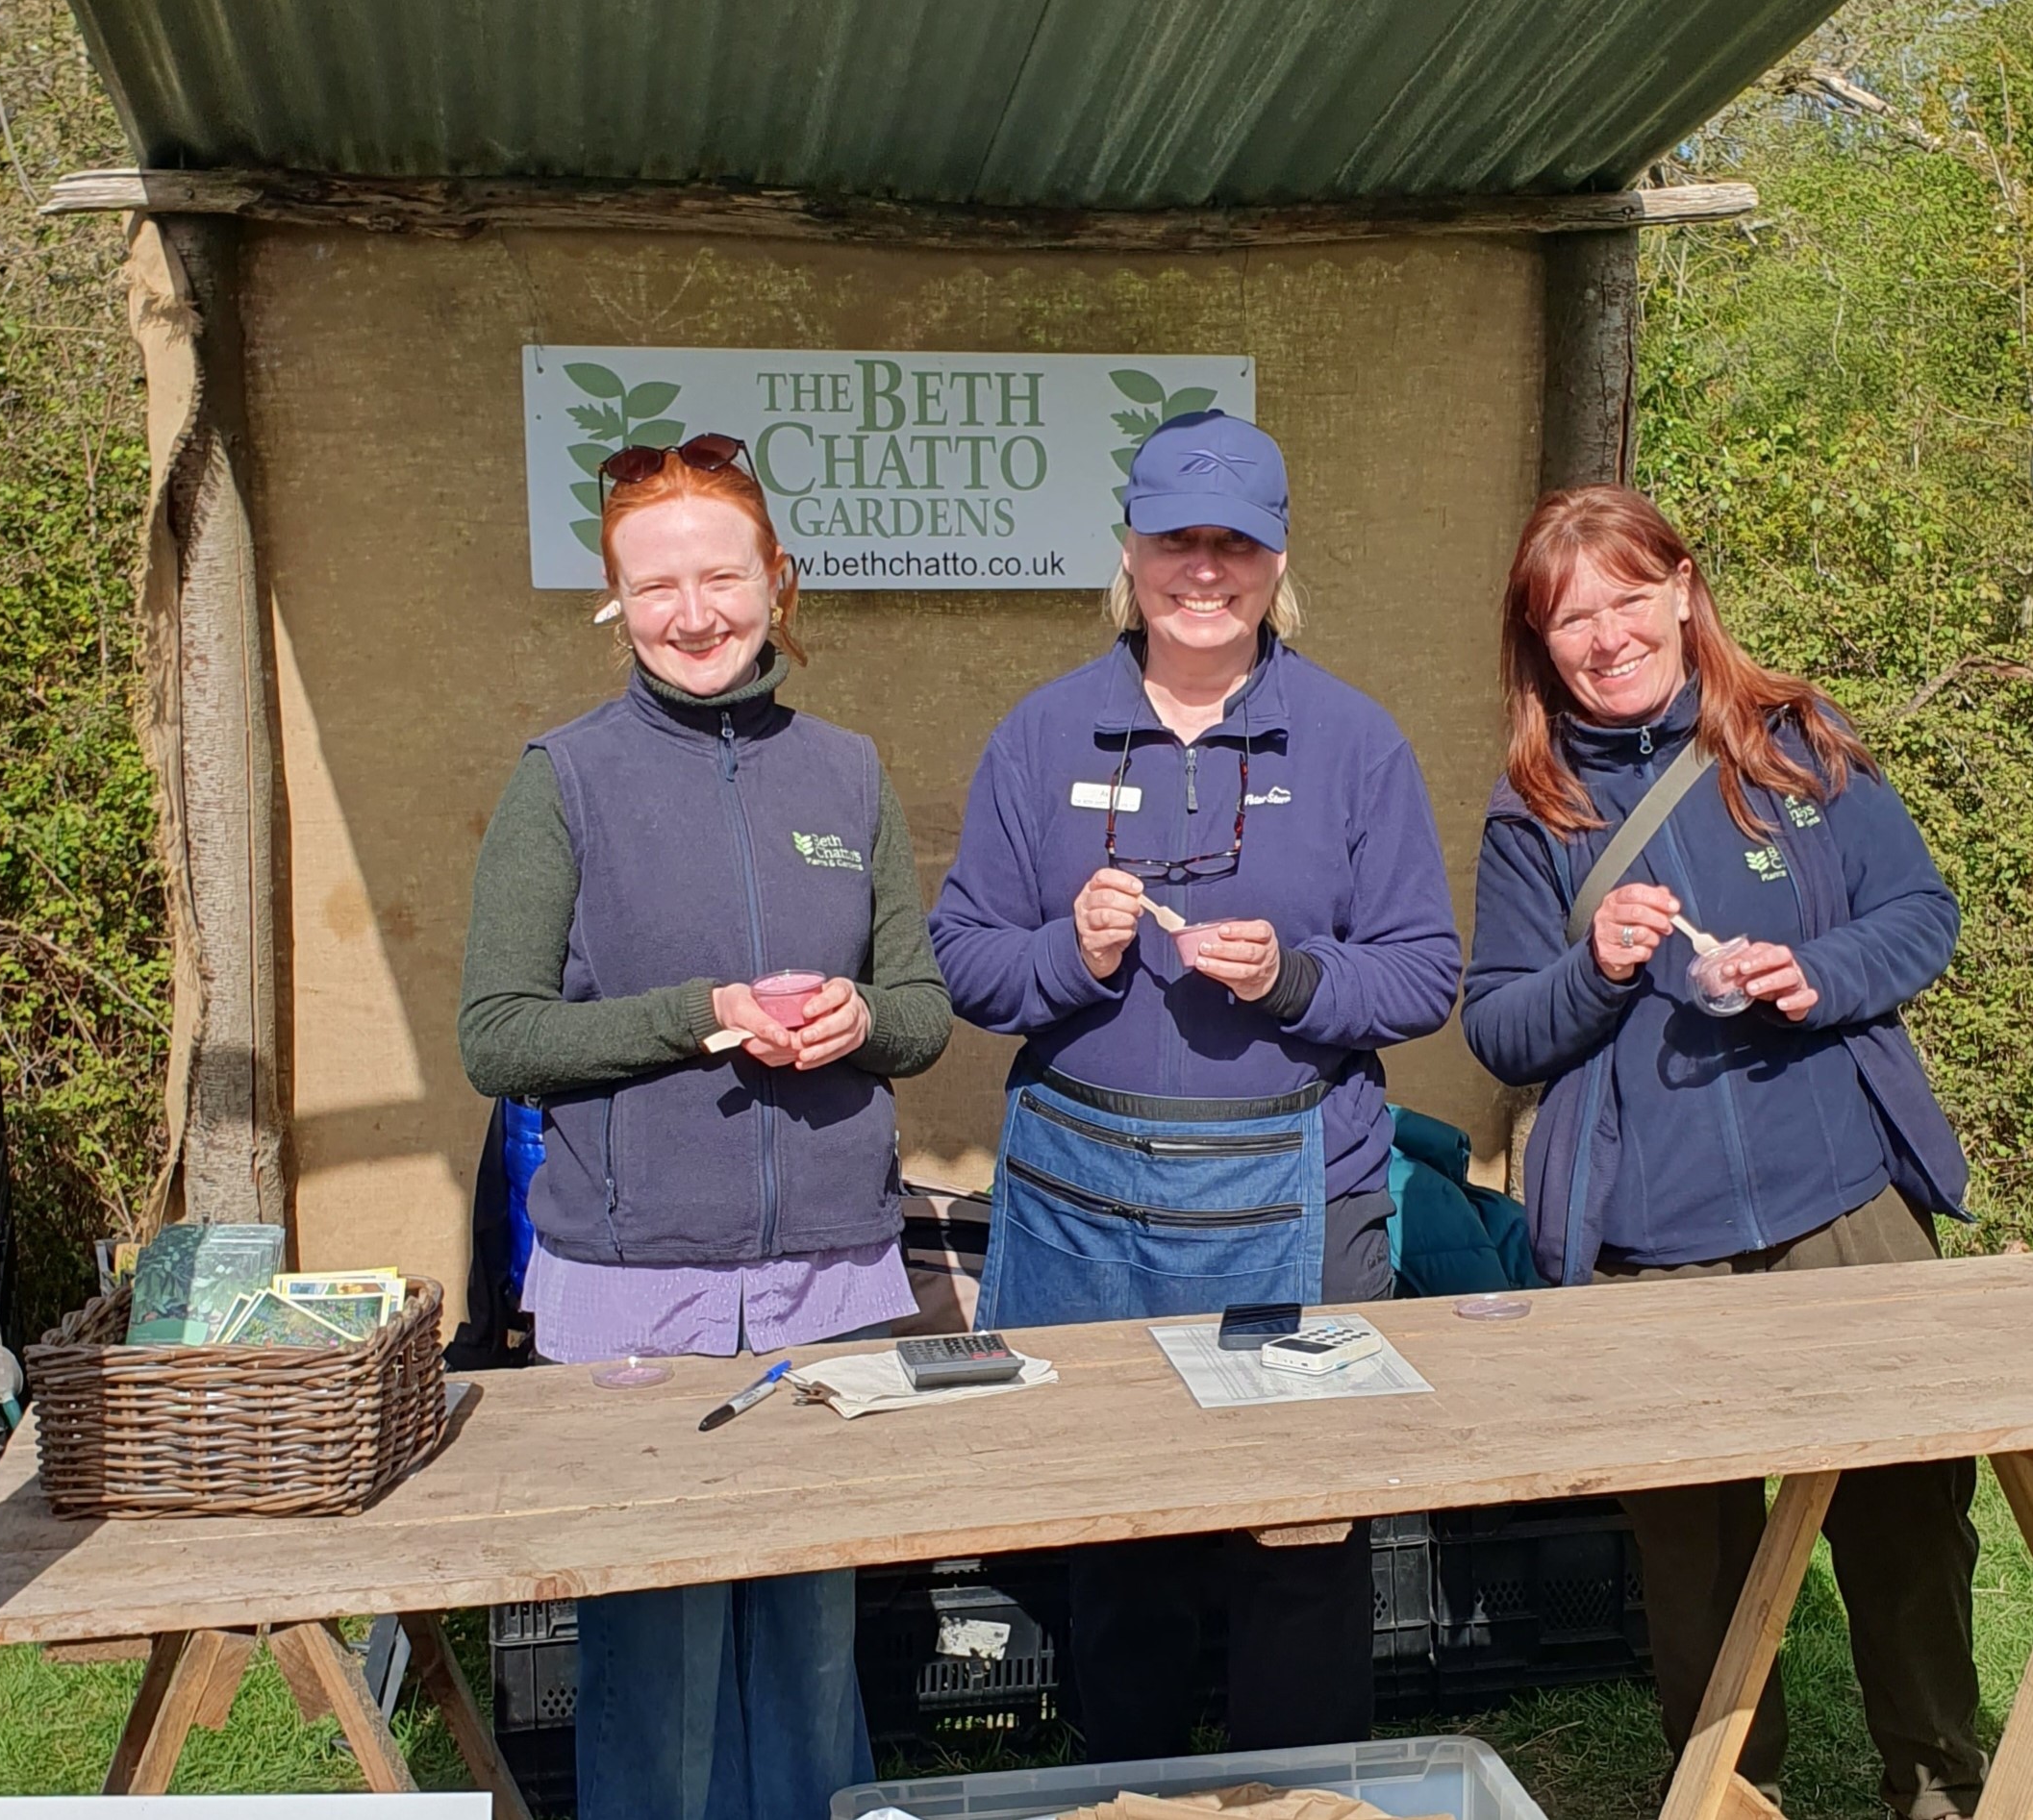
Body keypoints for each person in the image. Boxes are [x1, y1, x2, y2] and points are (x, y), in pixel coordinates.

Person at [929, 411, 1461, 1758]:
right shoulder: (1042, 734)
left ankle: (1301, 1794)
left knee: (1300, 1532)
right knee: (1119, 1540)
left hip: (1300, 1190)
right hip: (1083, 1200)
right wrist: (1070, 950)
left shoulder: (1351, 741)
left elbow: (1421, 973)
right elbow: (965, 963)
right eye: (1176, 539)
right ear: (1128, 550)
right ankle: (1132, 1793)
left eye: (1236, 541)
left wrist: (1293, 978)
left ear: (1280, 557)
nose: (1204, 570)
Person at [1461, 485, 1984, 1820]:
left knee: (1905, 1510)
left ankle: (1935, 1775)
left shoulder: (1796, 742)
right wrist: (1594, 965)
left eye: (1627, 599)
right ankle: (1726, 1787)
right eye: (1570, 616)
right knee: (1690, 1550)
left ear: (1684, 590)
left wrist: (1817, 973)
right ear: (1539, 641)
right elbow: (1502, 1029)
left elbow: (1922, 910)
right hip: (1652, 1236)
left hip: (1842, 1198)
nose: (1606, 635)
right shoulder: (1535, 807)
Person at [457, 433, 950, 1820]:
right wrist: (699, 1011)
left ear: (776, 579)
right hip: (632, 1292)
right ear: (615, 601)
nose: (693, 612)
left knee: (808, 1646)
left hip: (832, 1283)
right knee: (657, 1661)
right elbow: (497, 1034)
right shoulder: (562, 780)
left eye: (720, 575)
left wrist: (859, 1012)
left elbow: (924, 1009)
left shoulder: (845, 774)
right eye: (654, 584)